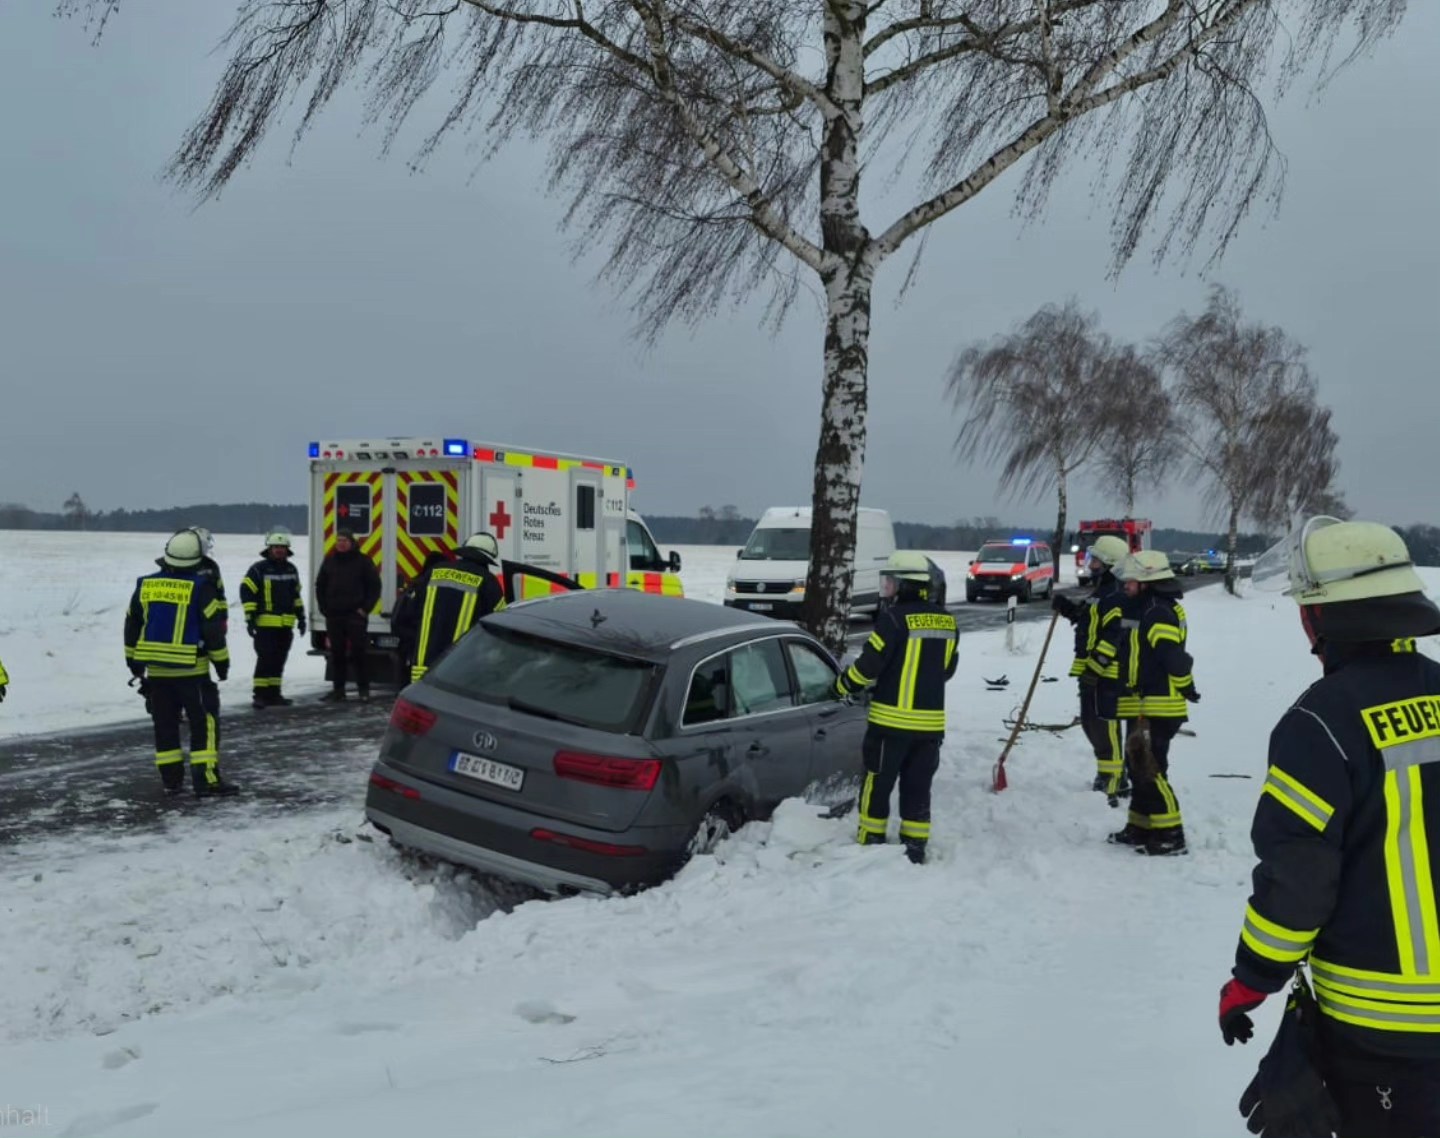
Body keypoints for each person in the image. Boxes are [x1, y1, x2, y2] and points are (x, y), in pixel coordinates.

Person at [1217, 517, 1440, 1138]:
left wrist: (1251, 980)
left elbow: (1299, 883)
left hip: (1385, 1027)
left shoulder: (1318, 725)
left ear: (1320, 620)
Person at [834, 551, 959, 864]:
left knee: (877, 785)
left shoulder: (892, 619)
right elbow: (946, 669)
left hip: (890, 725)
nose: (886, 586)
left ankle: (871, 842)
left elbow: (868, 667)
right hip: (929, 729)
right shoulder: (947, 622)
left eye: (890, 581)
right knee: (918, 789)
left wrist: (840, 686)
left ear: (905, 584)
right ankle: (914, 849)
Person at [1091, 549, 1197, 855]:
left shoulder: (1158, 612)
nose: (1126, 585)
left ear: (1148, 582)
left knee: (1150, 769)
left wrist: (1186, 686)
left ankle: (1170, 834)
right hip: (1141, 704)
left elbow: (1173, 658)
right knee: (1138, 767)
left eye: (1132, 580)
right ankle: (1140, 827)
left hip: (1158, 704)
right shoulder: (1144, 608)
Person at [124, 530, 238, 797]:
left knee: (164, 726)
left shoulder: (145, 586)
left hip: (156, 674)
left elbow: (132, 625)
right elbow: (213, 633)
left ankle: (171, 781)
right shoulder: (202, 588)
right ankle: (206, 780)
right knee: (205, 724)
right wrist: (222, 664)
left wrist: (133, 662)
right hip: (193, 674)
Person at [1053, 534, 1132, 798]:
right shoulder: (1102, 592)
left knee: (1104, 726)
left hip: (1106, 676)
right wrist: (1068, 609)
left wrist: (1094, 669)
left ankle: (1116, 779)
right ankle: (1105, 773)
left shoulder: (1117, 595)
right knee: (1091, 725)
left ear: (1109, 563)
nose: (1091, 564)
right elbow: (1089, 623)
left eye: (1096, 560)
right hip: (1093, 674)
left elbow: (1114, 638)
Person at [394, 534, 505, 683]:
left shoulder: (435, 571)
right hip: (460, 669)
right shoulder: (488, 582)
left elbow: (409, 612)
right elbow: (498, 624)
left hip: (423, 666)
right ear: (487, 559)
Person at [239, 530, 307, 708]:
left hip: (286, 625)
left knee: (279, 661)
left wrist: (301, 618)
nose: (279, 550)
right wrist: (250, 618)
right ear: (269, 549)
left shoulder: (291, 569)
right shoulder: (258, 569)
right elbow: (247, 592)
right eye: (276, 547)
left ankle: (274, 694)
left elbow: (296, 596)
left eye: (282, 547)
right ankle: (260, 695)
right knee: (265, 660)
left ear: (287, 550)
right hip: (265, 625)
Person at [314, 528, 381, 701]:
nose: (341, 544)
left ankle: (363, 690)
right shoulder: (329, 561)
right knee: (337, 654)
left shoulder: (363, 561)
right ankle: (338, 690)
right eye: (338, 541)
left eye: (344, 540)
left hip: (355, 615)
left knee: (359, 653)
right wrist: (324, 607)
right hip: (334, 615)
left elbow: (374, 587)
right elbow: (320, 585)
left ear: (352, 543)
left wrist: (365, 609)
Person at [188, 526, 230, 746]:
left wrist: (222, 618)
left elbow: (220, 594)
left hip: (209, 627)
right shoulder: (182, 567)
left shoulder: (211, 567)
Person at [391, 547, 455, 677]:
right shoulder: (425, 588)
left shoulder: (414, 587)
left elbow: (398, 620)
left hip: (410, 646)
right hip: (418, 646)